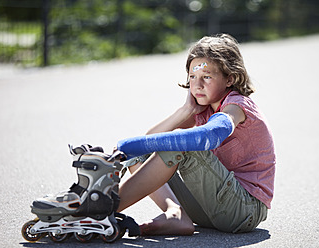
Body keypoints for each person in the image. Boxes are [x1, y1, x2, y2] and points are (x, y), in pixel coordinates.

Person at [116, 34, 275, 236]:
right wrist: (185, 110)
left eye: (206, 77)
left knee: (185, 143)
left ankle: (101, 213)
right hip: (209, 208)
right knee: (144, 151)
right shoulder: (203, 109)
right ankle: (175, 213)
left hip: (244, 209)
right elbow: (149, 143)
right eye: (193, 77)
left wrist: (131, 144)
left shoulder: (237, 107)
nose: (197, 85)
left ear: (230, 79)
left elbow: (210, 135)